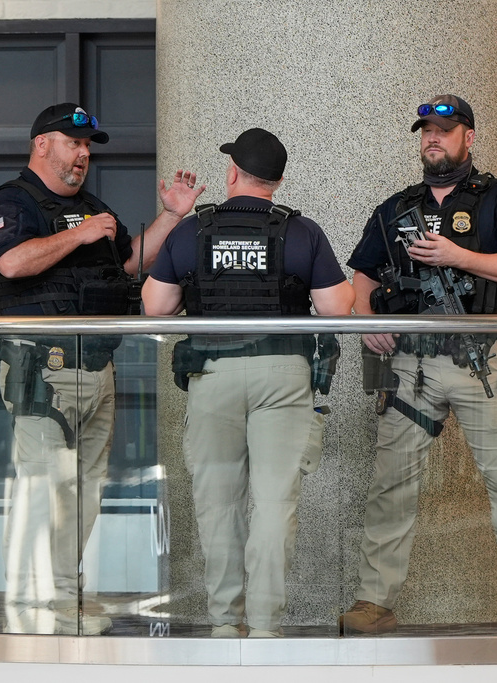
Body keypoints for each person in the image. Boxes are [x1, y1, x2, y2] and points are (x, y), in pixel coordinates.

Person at [0, 102, 205, 635]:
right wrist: (77, 235)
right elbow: (10, 262)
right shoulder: (14, 202)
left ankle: (64, 595)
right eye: (73, 143)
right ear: (42, 145)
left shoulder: (92, 205)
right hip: (41, 367)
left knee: (84, 489)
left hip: (97, 365)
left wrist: (172, 217)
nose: (83, 155)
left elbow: (128, 262)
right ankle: (34, 601)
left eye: (87, 147)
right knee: (44, 488)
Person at [341, 94, 497, 634]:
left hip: (483, 362)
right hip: (412, 364)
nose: (432, 139)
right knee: (391, 485)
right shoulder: (396, 207)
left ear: (469, 136)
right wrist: (369, 321)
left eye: (443, 129)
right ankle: (374, 602)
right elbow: (362, 276)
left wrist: (458, 256)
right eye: (425, 131)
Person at [142, 128, 354, 637]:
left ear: (233, 172)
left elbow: (156, 306)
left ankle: (222, 624)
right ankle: (264, 628)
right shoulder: (301, 232)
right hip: (282, 373)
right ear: (276, 182)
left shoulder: (194, 230)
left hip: (212, 374)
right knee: (276, 505)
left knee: (219, 505)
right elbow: (336, 307)